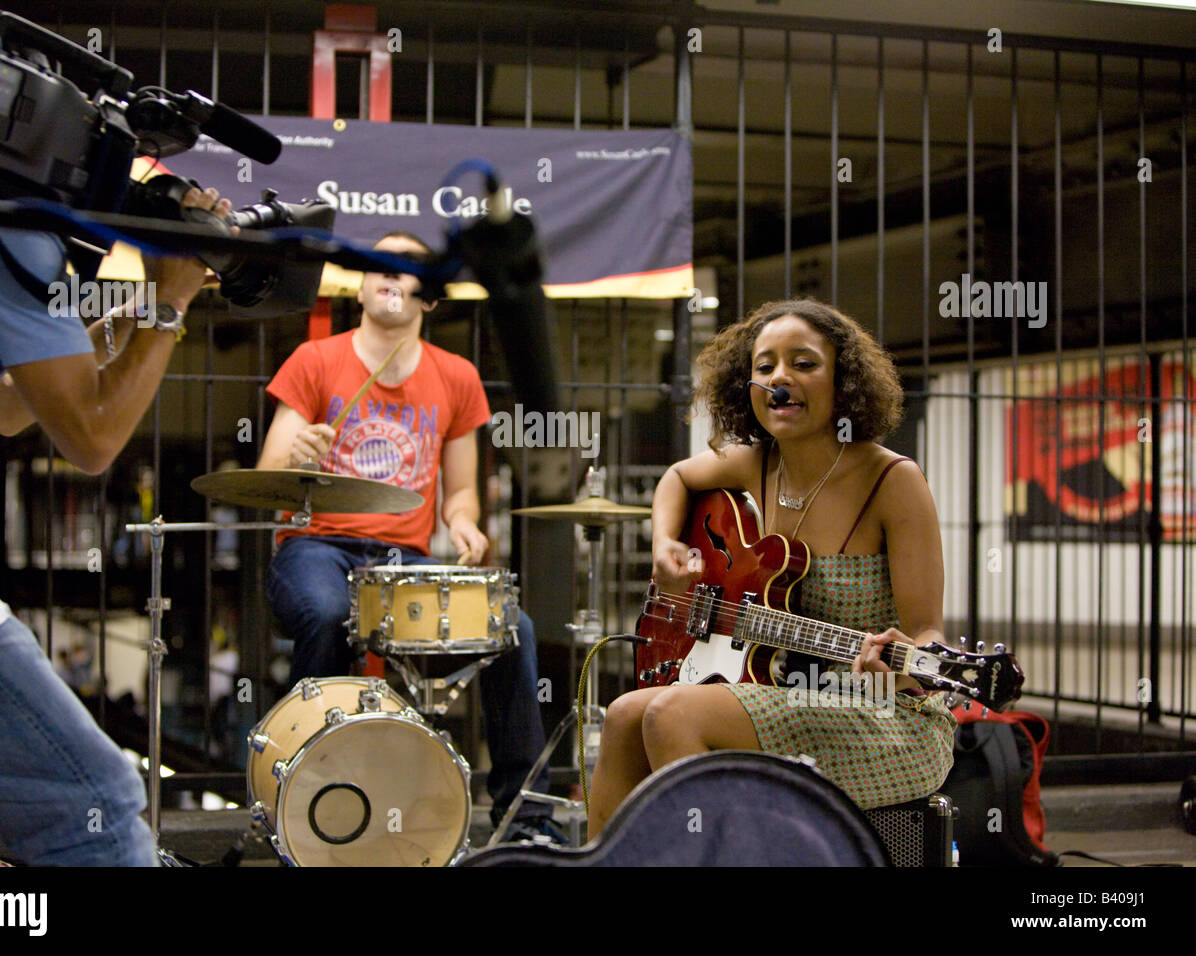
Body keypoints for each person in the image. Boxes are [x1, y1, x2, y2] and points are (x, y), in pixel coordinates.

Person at [0, 169, 234, 866]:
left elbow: (12, 407)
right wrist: (169, 301)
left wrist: (136, 316)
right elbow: (92, 439)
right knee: (97, 807)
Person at [586, 298, 958, 837]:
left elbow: (928, 633)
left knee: (673, 714)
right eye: (765, 367)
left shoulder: (893, 480)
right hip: (778, 687)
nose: (781, 378)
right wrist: (665, 543)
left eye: (804, 363)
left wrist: (901, 665)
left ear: (844, 381)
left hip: (881, 715)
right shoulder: (756, 463)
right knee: (622, 714)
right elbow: (678, 478)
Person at [257, 231, 563, 842]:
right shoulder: (314, 361)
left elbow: (460, 491)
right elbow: (266, 484)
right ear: (361, 285)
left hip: (406, 560)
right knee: (325, 610)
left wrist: (464, 522)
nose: (390, 274)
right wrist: (301, 455)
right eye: (377, 264)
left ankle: (524, 819)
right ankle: (301, 786)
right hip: (316, 546)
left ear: (430, 298)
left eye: (407, 267)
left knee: (515, 628)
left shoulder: (457, 377)